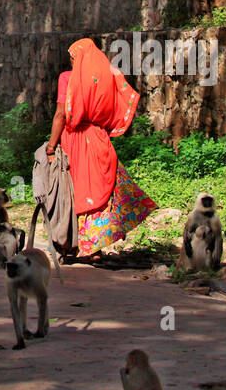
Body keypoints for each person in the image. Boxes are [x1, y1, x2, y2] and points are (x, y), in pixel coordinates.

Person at [47, 36, 156, 262]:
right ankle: (95, 248)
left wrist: (51, 147)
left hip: (75, 139)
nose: (72, 62)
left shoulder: (67, 78)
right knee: (99, 189)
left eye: (73, 57)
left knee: (76, 191)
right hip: (100, 138)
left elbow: (60, 115)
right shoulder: (107, 77)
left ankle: (73, 245)